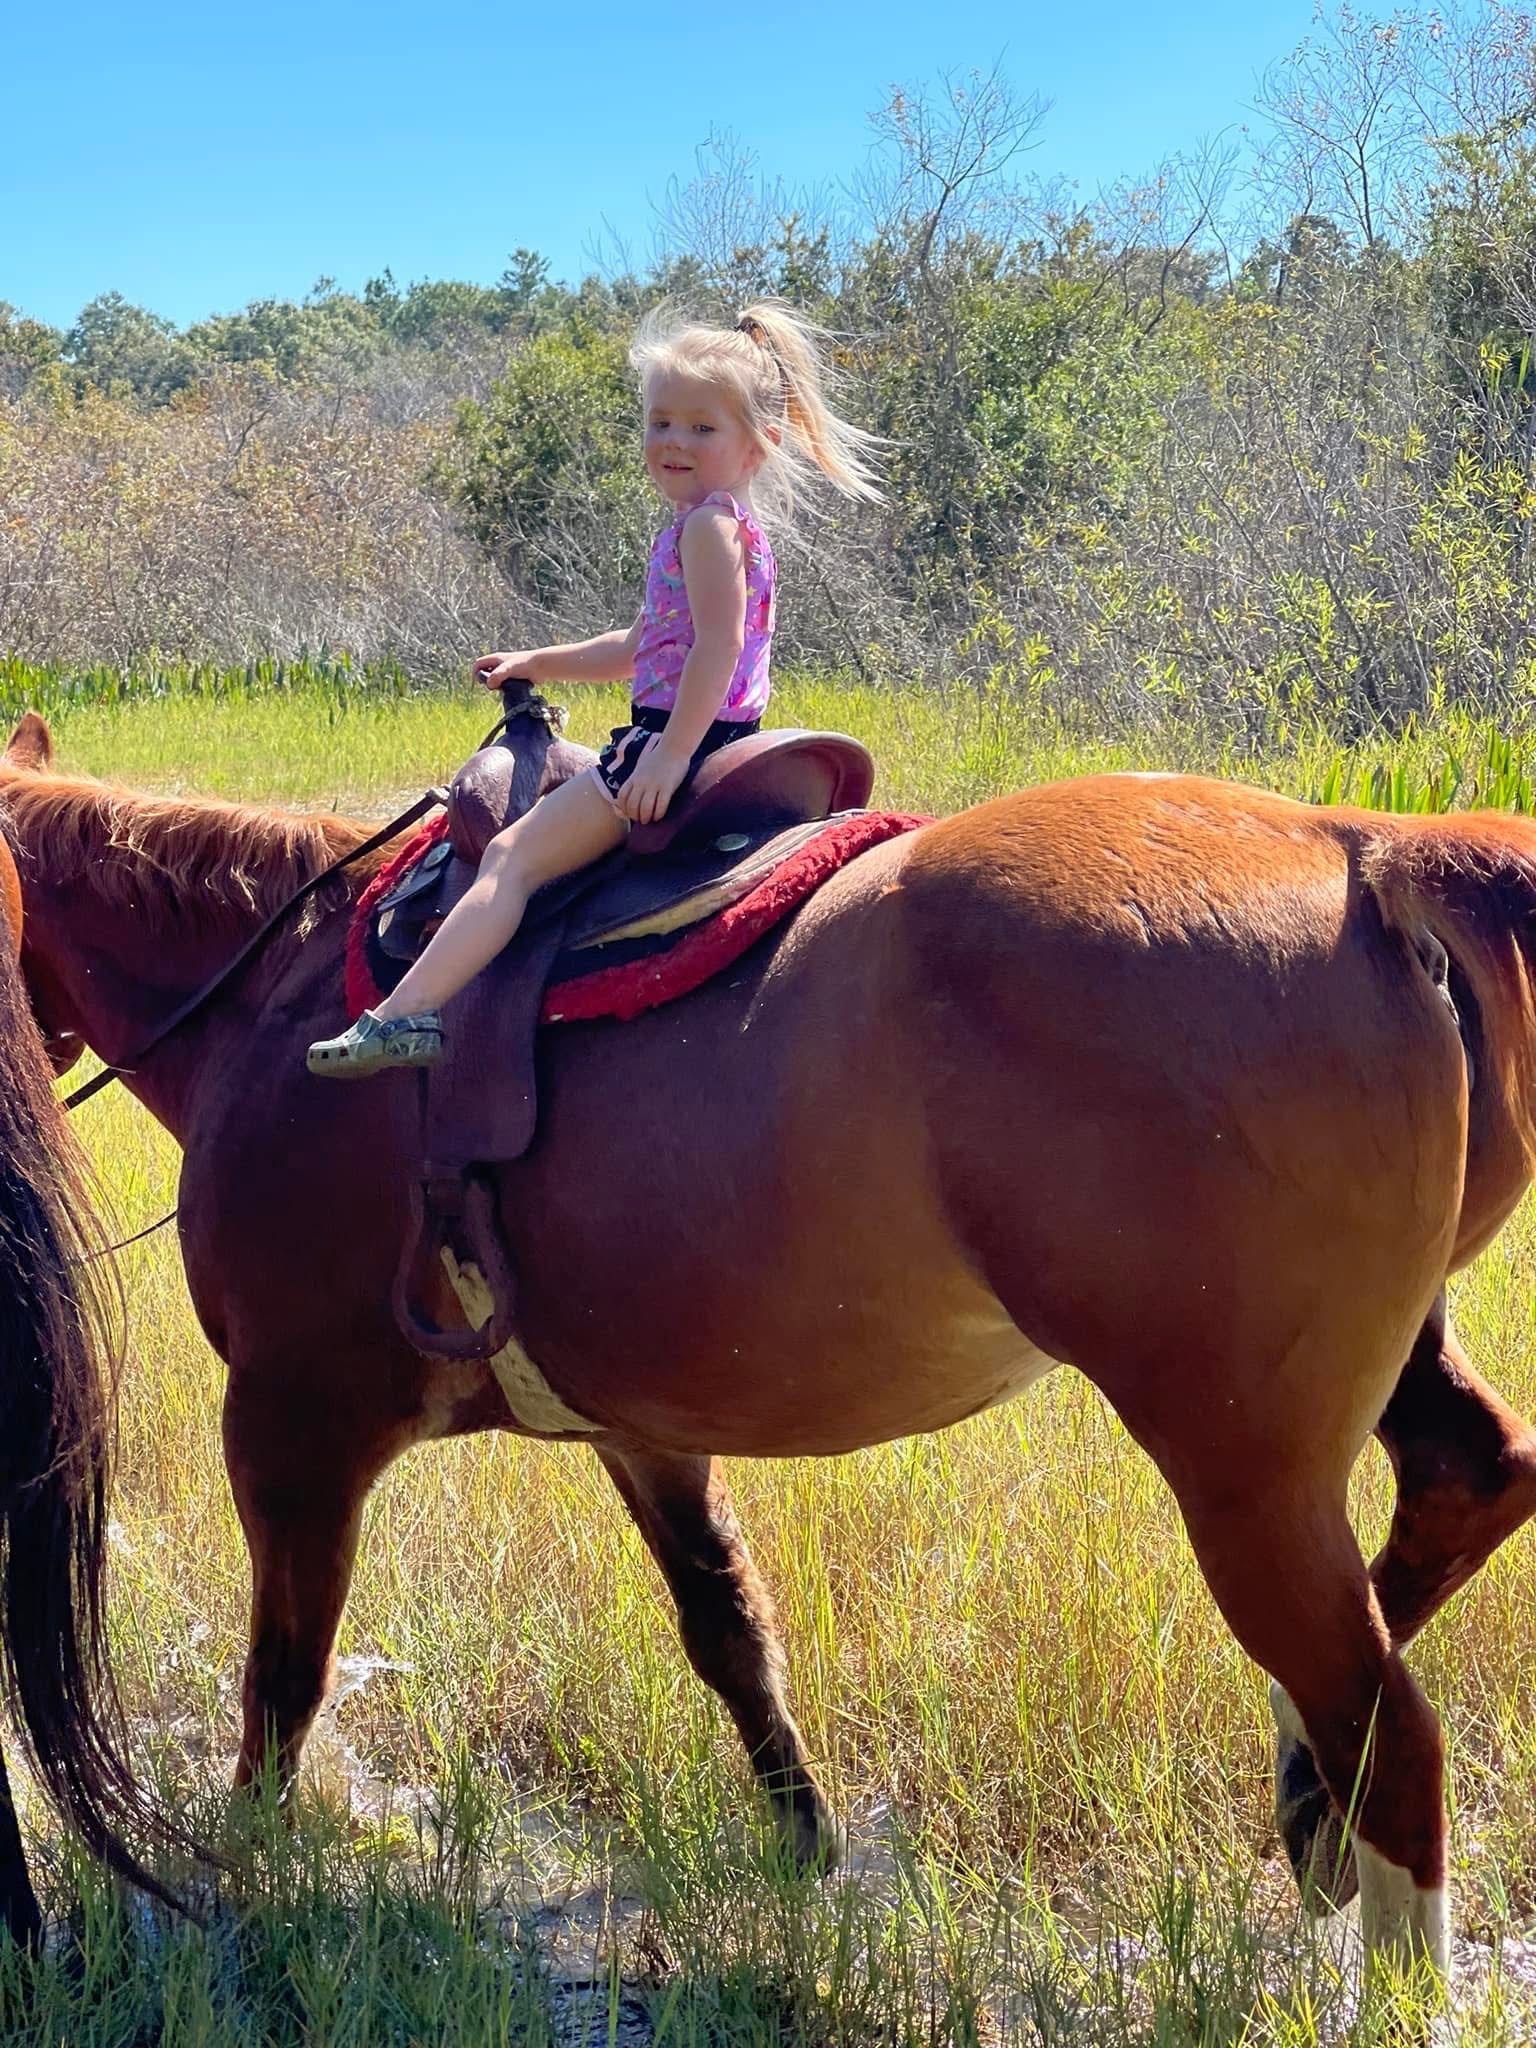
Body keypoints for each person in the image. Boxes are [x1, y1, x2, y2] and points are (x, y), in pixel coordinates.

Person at [307, 302, 882, 1078]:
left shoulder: (705, 530)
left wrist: (668, 756)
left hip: (679, 739)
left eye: (702, 427)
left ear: (758, 444)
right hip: (705, 733)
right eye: (661, 421)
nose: (674, 441)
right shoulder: (721, 525)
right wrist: (535, 662)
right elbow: (640, 646)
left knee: (510, 858)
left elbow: (717, 648)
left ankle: (405, 1014)